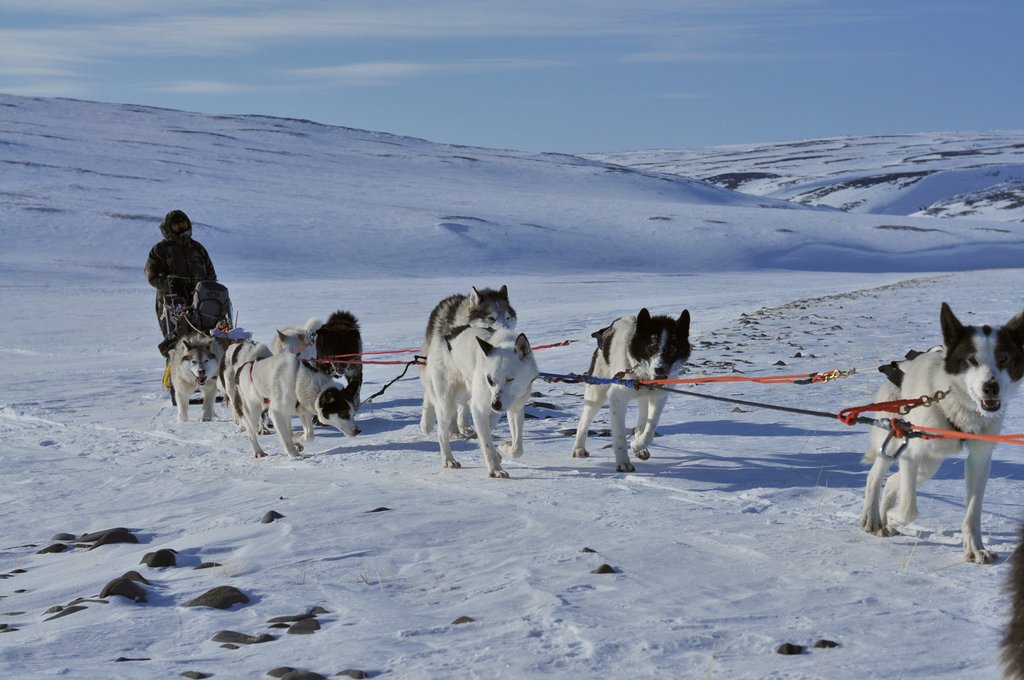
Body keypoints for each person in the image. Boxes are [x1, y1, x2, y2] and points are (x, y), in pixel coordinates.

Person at [145, 209, 218, 353]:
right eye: (176, 225)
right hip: (172, 303)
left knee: (204, 341)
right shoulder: (160, 250)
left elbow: (211, 274)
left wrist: (209, 291)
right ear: (169, 228)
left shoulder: (197, 249)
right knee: (178, 344)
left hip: (199, 301)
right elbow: (152, 275)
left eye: (183, 223)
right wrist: (170, 285)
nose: (181, 227)